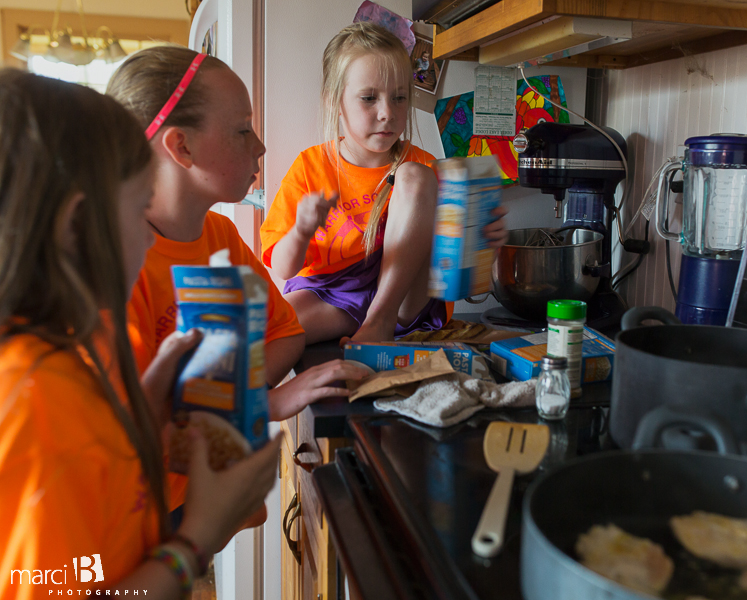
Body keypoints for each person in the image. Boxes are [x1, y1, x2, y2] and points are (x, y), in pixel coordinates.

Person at [0, 69, 279, 598]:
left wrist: (148, 404)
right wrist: (197, 541)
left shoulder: (54, 359)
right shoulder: (39, 408)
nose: (149, 240)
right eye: (137, 207)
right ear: (78, 226)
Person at [106, 46, 366, 521]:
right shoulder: (121, 267)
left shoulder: (220, 236)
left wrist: (223, 401)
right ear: (181, 147)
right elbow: (135, 432)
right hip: (136, 521)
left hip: (198, 501)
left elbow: (286, 334)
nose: (261, 147)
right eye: (243, 130)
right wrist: (262, 403)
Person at [260, 22, 509, 345]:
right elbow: (283, 268)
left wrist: (483, 244)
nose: (387, 113)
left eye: (399, 98)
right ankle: (366, 327)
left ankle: (379, 320)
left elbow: (459, 272)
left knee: (414, 176)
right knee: (268, 334)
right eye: (368, 98)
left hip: (404, 299)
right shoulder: (310, 165)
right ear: (334, 101)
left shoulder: (425, 166)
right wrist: (301, 231)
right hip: (332, 294)